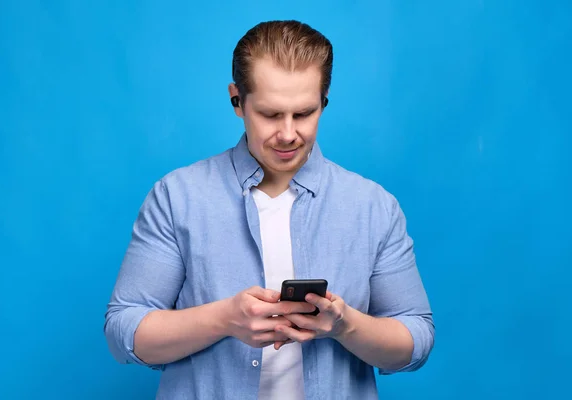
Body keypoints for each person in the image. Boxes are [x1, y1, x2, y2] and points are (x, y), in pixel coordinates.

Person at [104, 19, 434, 400]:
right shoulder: (177, 197)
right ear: (237, 100)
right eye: (271, 114)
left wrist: (345, 326)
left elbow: (417, 338)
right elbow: (123, 331)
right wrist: (224, 319)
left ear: (324, 102)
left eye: (305, 113)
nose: (289, 134)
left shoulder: (374, 207)